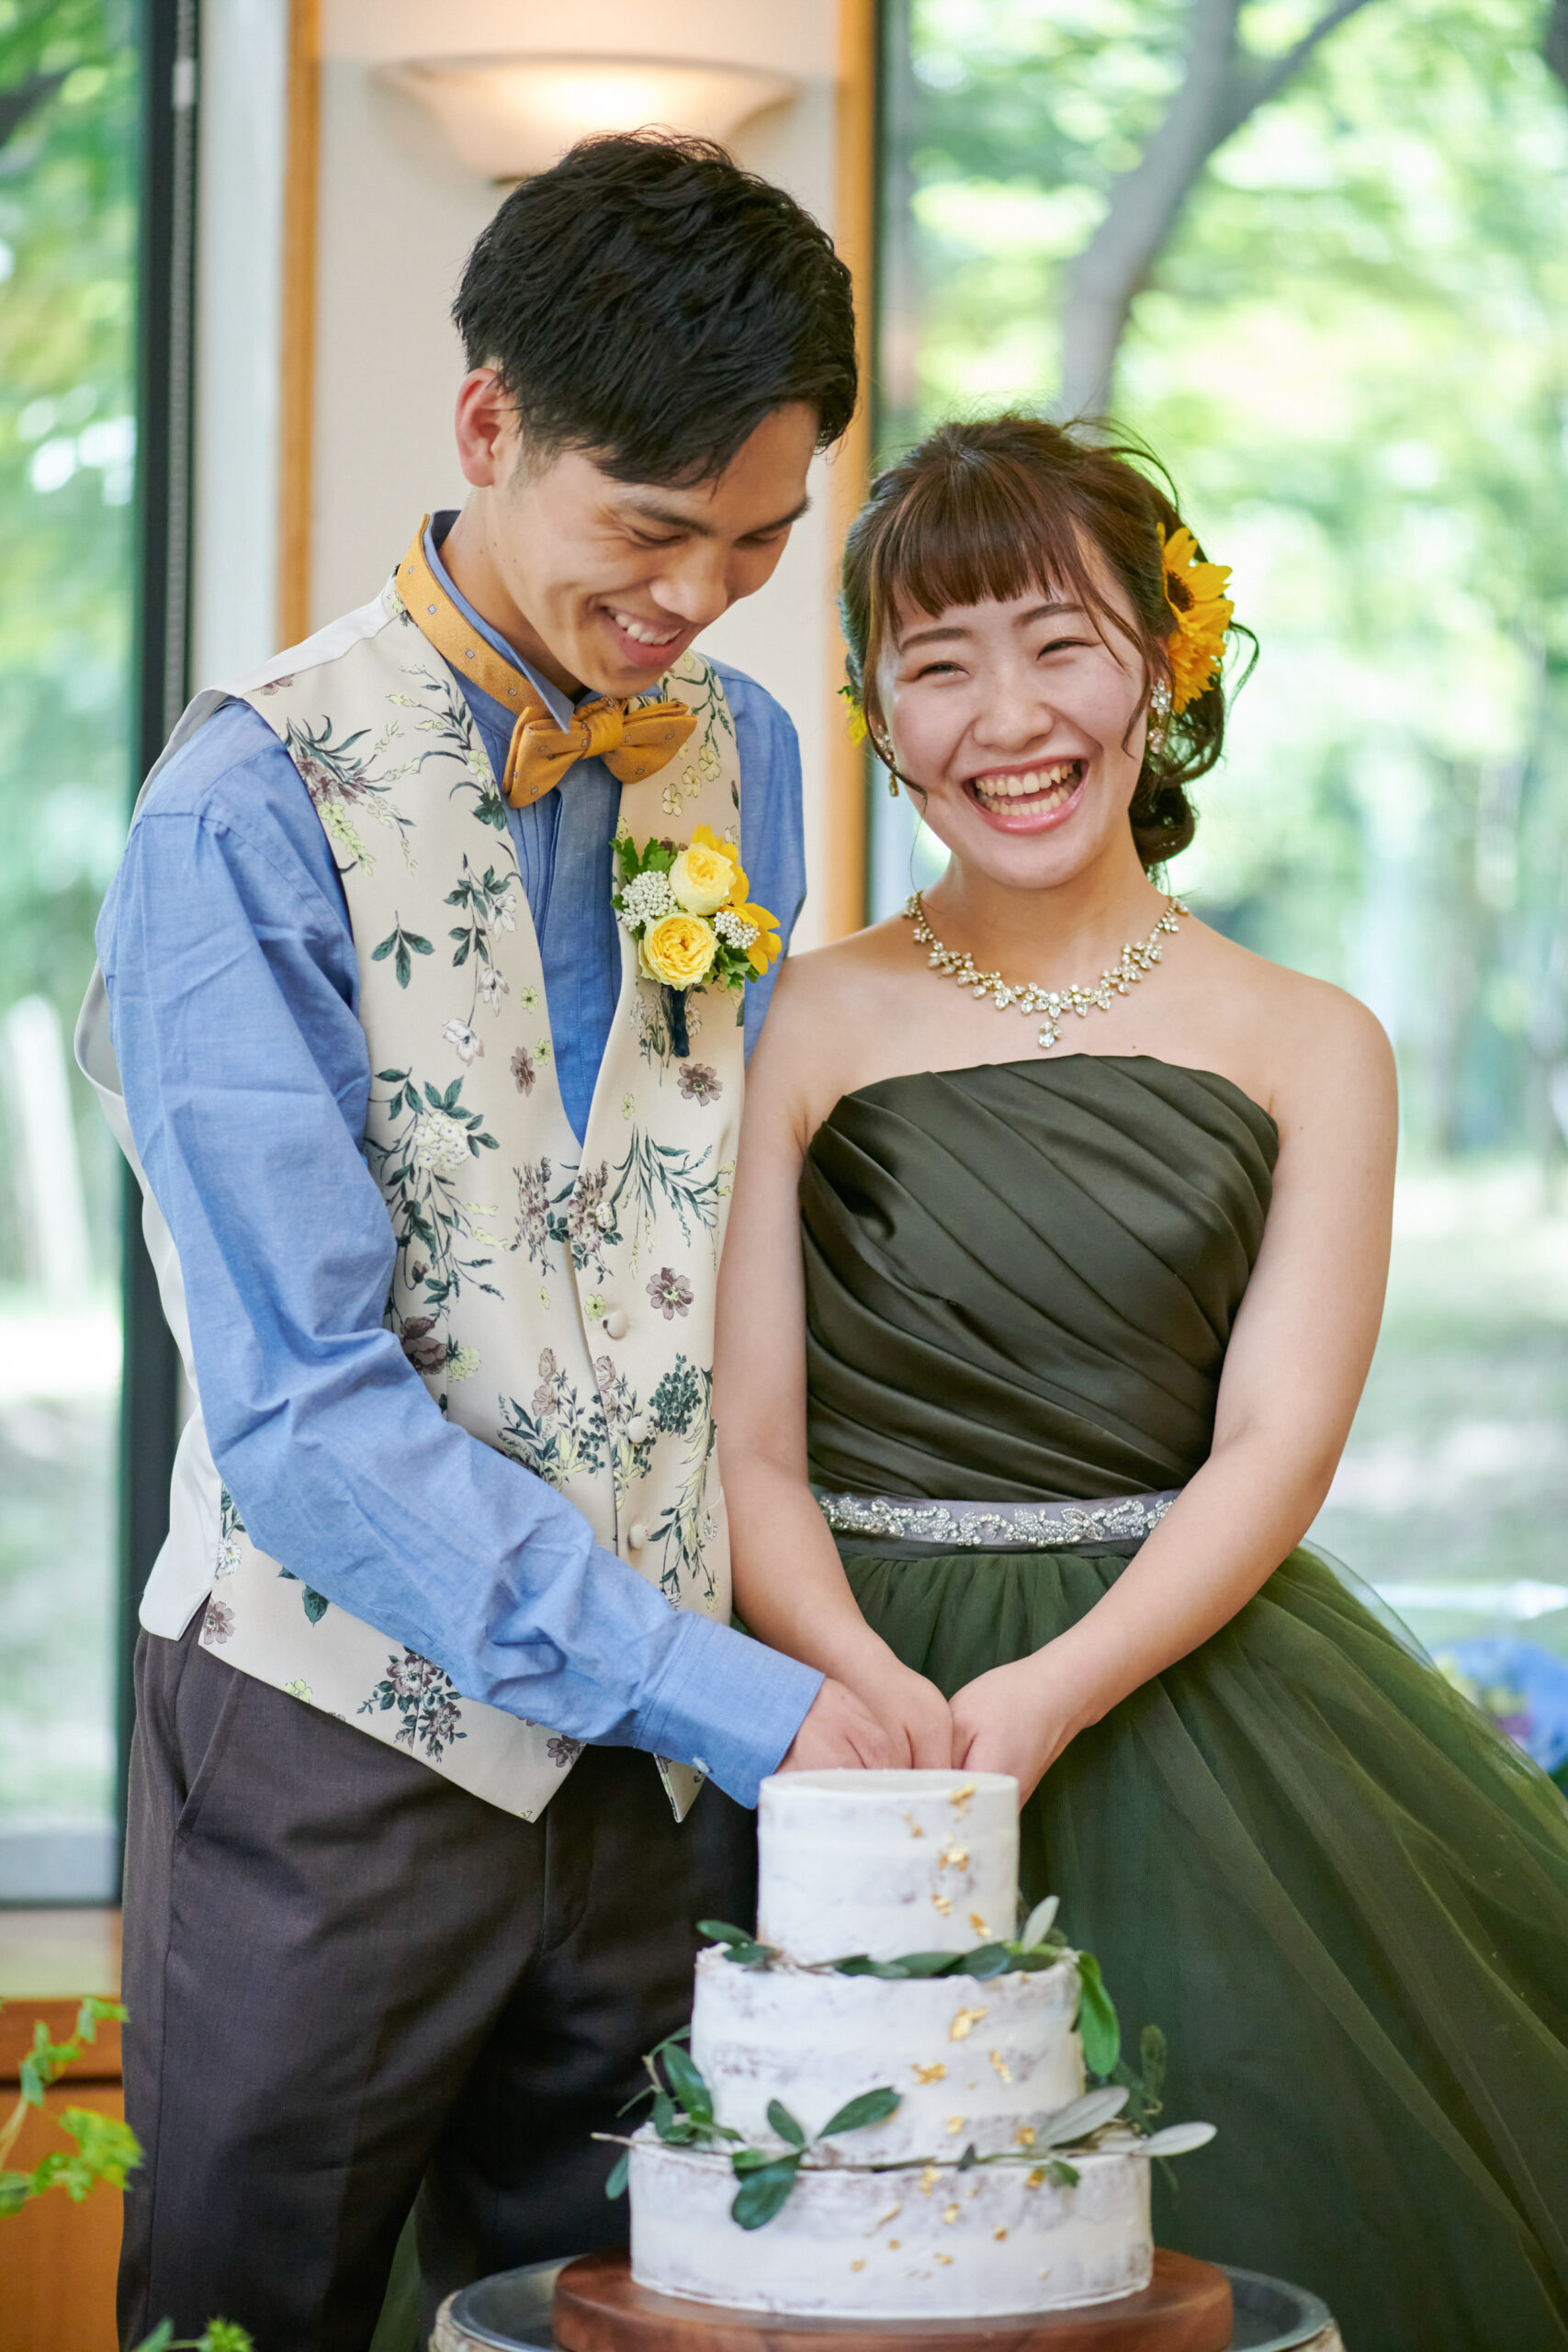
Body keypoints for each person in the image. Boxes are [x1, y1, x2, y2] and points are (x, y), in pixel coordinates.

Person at [82, 134, 929, 2352]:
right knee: (245, 2315)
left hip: (664, 1790)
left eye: (757, 538)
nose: (699, 596)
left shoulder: (744, 757)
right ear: (486, 425)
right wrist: (730, 1692)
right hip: (329, 1749)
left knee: (654, 2315)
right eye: (648, 528)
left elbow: (692, 1227)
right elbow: (303, 1413)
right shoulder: (243, 802)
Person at [714, 413, 1568, 2352]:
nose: (1008, 718)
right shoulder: (795, 1015)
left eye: (1059, 643)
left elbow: (1276, 1441)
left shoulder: (1312, 1039)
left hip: (1191, 1684)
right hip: (835, 1697)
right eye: (940, 663)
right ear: (878, 715)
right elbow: (746, 1437)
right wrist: (854, 1684)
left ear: (1163, 665)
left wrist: (1053, 1688)